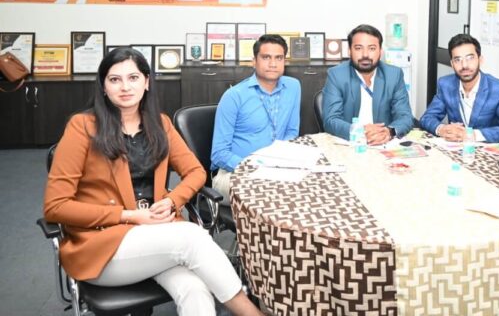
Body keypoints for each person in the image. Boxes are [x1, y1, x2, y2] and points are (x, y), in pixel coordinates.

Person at [43, 47, 263, 316]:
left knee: (195, 290)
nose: (125, 87)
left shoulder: (160, 124)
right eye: (115, 79)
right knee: (193, 237)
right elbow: (56, 207)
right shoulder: (82, 126)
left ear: (146, 82)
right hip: (104, 248)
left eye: (133, 78)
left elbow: (195, 172)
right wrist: (129, 215)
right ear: (103, 87)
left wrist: (172, 201)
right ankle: (250, 312)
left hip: (158, 238)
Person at [211, 34, 300, 195]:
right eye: (266, 57)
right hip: (234, 172)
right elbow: (219, 154)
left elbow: (291, 132)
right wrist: (255, 166)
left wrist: (280, 160)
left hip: (276, 168)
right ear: (254, 61)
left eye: (279, 58)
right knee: (274, 192)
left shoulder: (293, 87)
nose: (273, 64)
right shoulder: (234, 96)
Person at [420, 33, 499, 143]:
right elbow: (426, 118)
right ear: (452, 64)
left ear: (480, 60)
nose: (464, 65)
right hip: (456, 149)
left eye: (470, 58)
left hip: (485, 149)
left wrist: (472, 135)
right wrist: (442, 129)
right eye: (457, 60)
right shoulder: (446, 84)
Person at [322, 24, 413, 144]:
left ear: (380, 51)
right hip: (350, 142)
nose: (365, 54)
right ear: (349, 51)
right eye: (358, 48)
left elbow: (405, 116)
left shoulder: (394, 75)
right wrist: (360, 131)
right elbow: (331, 120)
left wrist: (389, 132)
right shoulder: (337, 75)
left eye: (372, 48)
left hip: (384, 143)